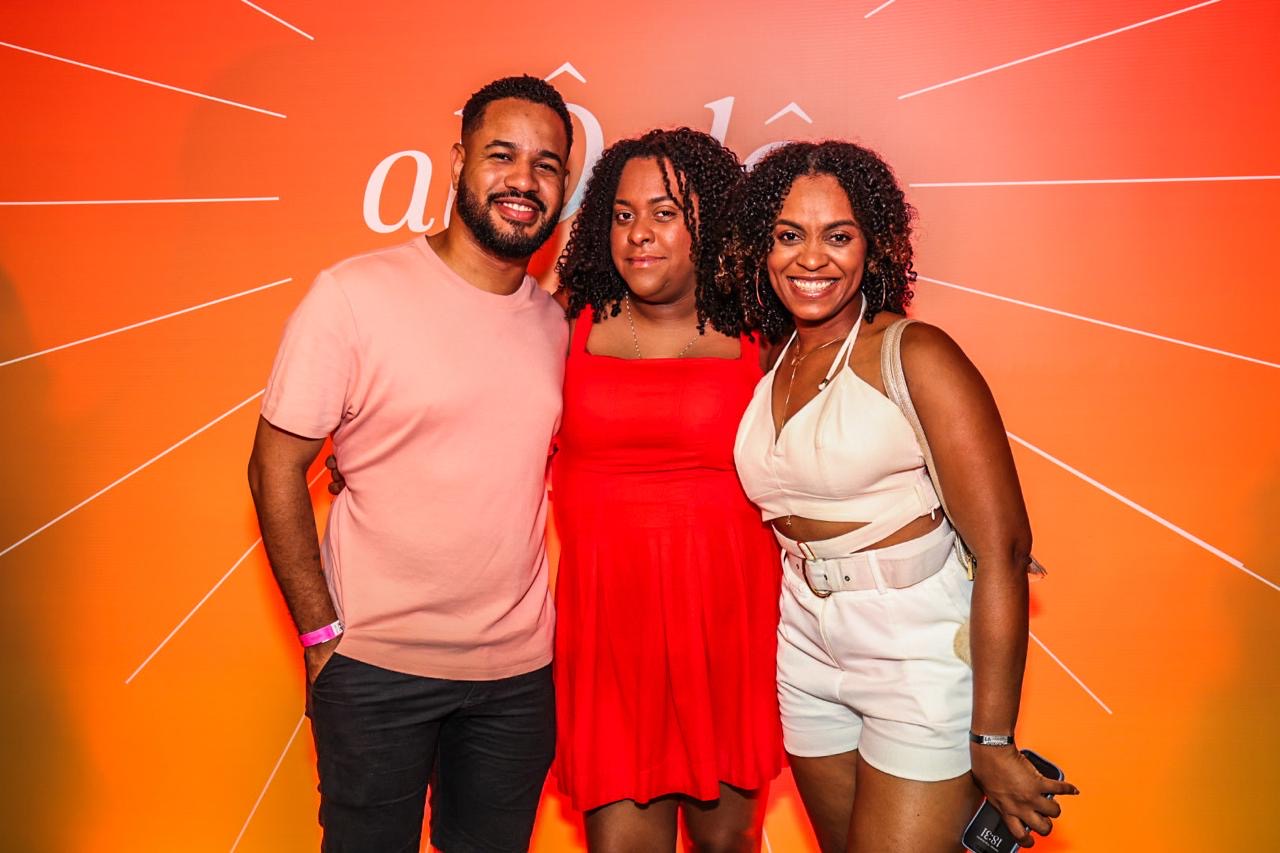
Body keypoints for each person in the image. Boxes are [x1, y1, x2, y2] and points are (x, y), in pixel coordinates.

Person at [246, 75, 573, 853]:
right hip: (373, 667)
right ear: (458, 160)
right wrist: (321, 633)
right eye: (502, 154)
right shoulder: (353, 296)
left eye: (548, 164)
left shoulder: (557, 322)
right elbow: (272, 466)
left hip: (517, 679)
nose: (523, 180)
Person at [723, 141, 1079, 852]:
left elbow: (1003, 550)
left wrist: (993, 736)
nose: (811, 258)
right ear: (762, 248)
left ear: (875, 246)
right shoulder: (772, 356)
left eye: (839, 235)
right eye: (789, 235)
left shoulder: (917, 353)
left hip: (915, 644)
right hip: (804, 644)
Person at [551, 128, 783, 852]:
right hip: (607, 637)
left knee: (727, 845)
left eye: (663, 212)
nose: (639, 235)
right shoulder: (564, 324)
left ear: (706, 220)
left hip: (727, 633)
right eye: (622, 215)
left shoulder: (764, 335)